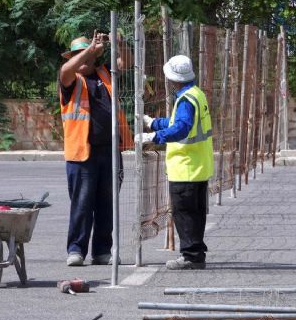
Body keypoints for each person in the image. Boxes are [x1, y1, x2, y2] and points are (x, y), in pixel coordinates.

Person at [59, 30, 133, 266]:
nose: (81, 58)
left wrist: (118, 42)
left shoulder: (105, 74)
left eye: (84, 54)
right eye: (77, 55)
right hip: (82, 153)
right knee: (82, 204)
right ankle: (76, 250)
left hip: (110, 151)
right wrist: (90, 49)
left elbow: (128, 62)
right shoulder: (71, 80)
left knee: (106, 204)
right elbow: (65, 70)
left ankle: (102, 251)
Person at [136, 55, 214, 270]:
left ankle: (191, 256)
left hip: (185, 167)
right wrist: (153, 123)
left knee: (185, 214)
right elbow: (176, 122)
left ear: (172, 78)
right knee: (196, 214)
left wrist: (154, 137)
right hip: (198, 166)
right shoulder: (196, 95)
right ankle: (196, 253)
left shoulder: (186, 99)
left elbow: (181, 128)